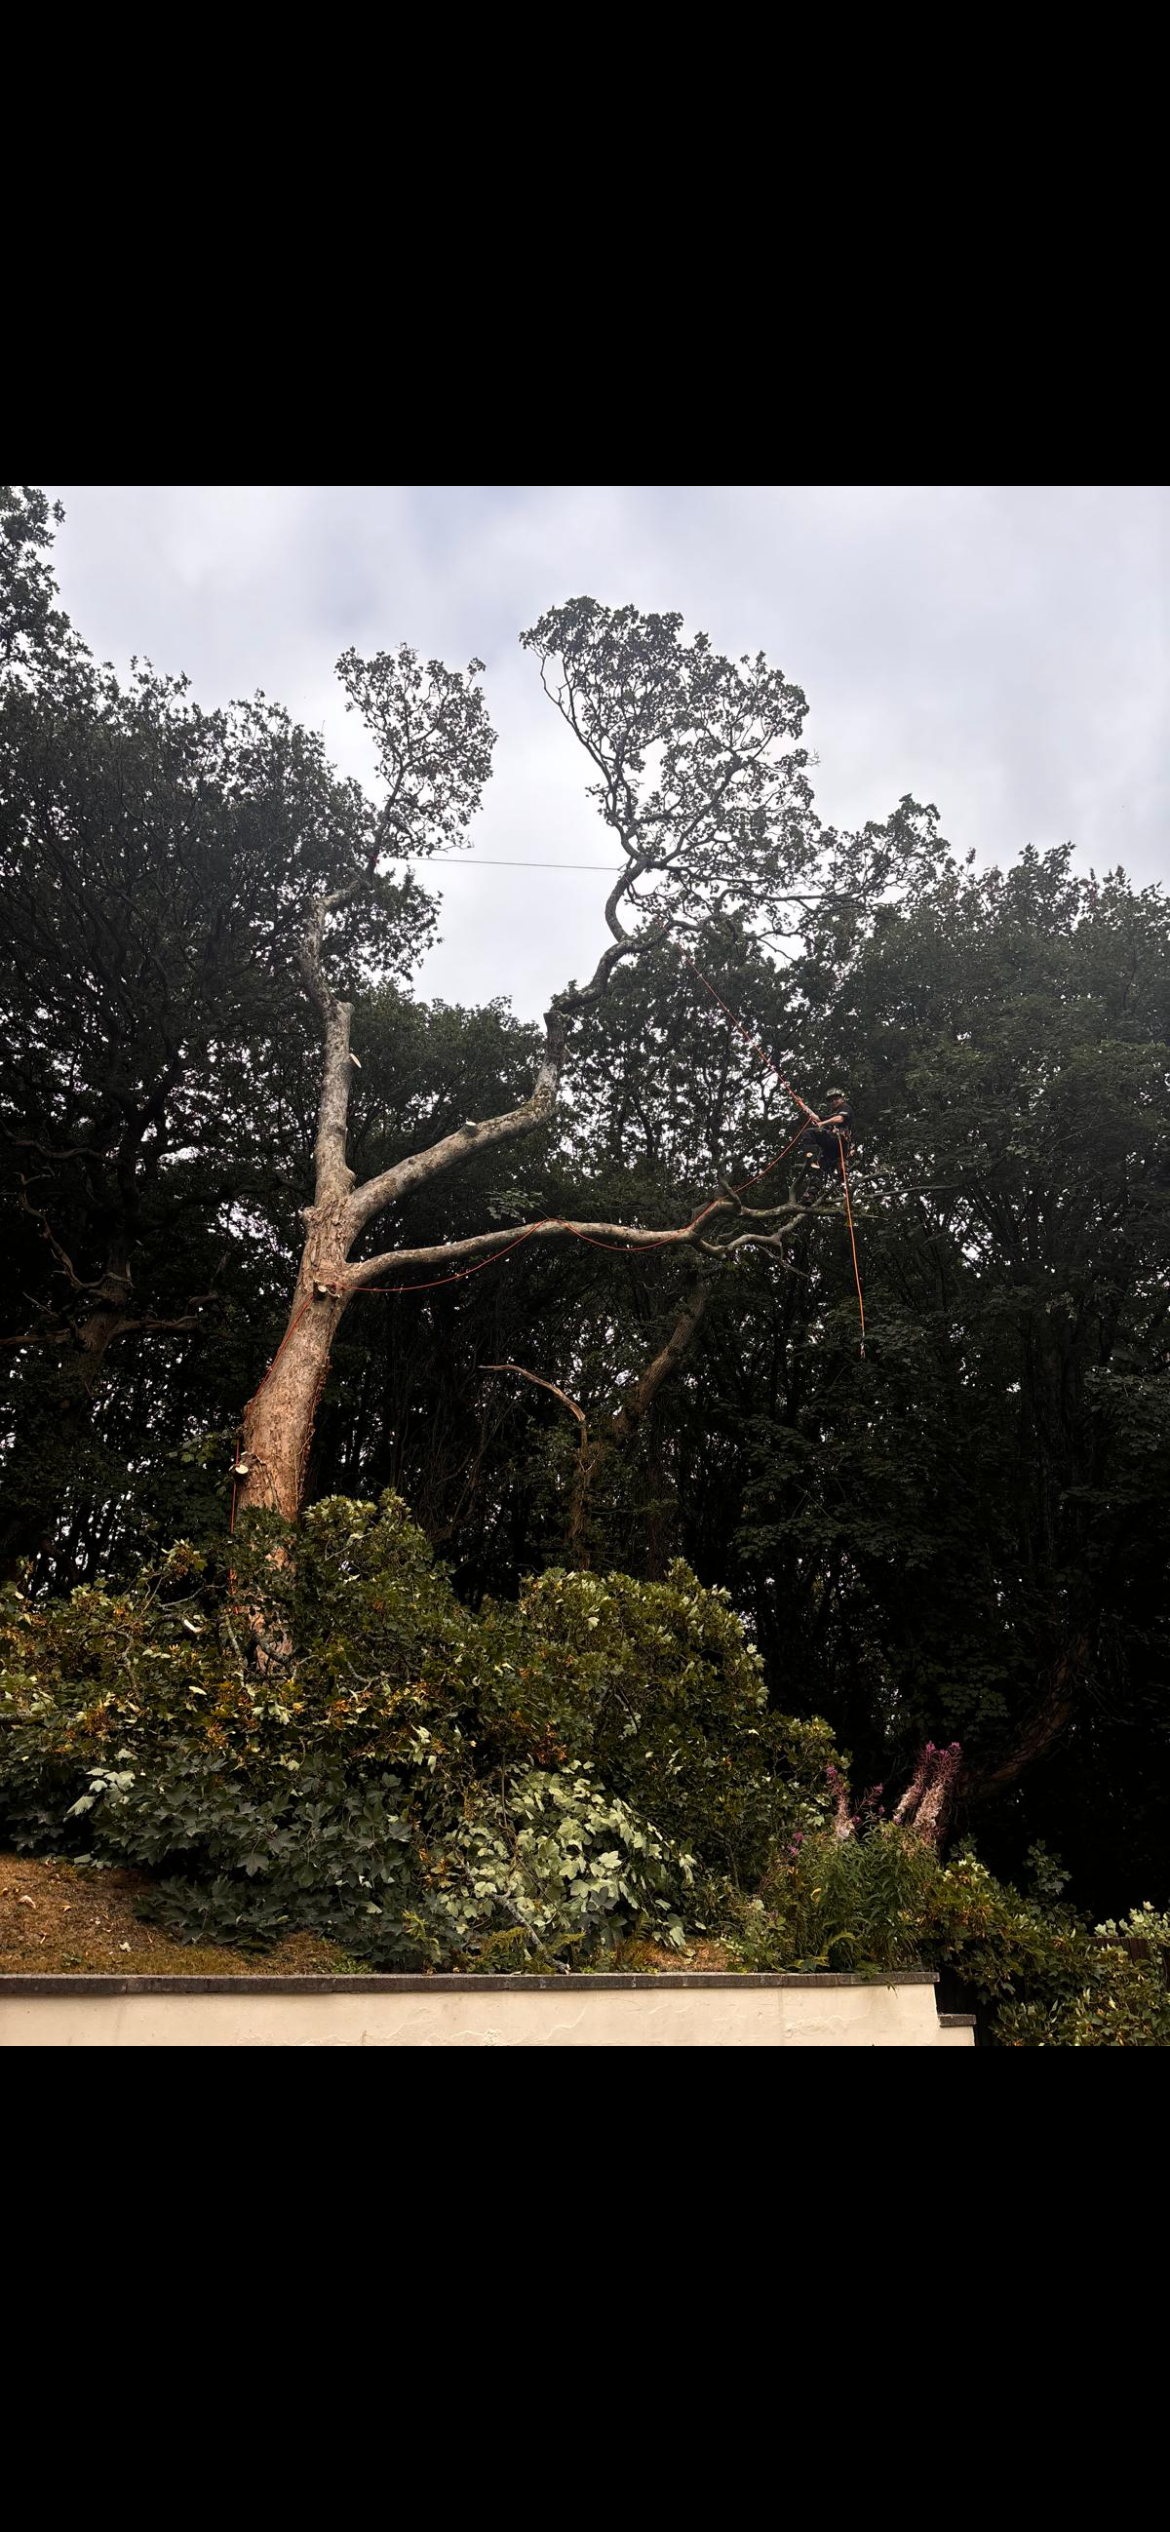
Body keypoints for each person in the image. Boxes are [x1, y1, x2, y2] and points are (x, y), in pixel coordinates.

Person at [799, 1087, 853, 1200]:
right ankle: (811, 1194)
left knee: (809, 1132)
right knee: (820, 1168)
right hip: (831, 1148)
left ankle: (814, 1158)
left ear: (842, 1099)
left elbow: (840, 1119)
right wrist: (802, 1104)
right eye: (831, 1100)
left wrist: (823, 1123)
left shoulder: (845, 1107)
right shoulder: (831, 1115)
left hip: (839, 1142)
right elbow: (815, 1117)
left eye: (836, 1099)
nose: (834, 1101)